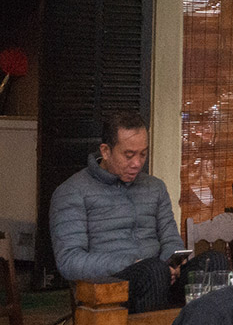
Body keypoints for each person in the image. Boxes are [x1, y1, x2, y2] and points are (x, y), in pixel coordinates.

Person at [49, 112, 186, 312]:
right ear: (105, 151)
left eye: (143, 154)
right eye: (128, 155)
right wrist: (131, 263)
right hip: (111, 288)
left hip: (160, 275)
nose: (137, 163)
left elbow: (170, 238)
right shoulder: (71, 192)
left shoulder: (154, 187)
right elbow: (69, 261)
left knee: (212, 263)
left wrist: (172, 262)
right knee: (153, 270)